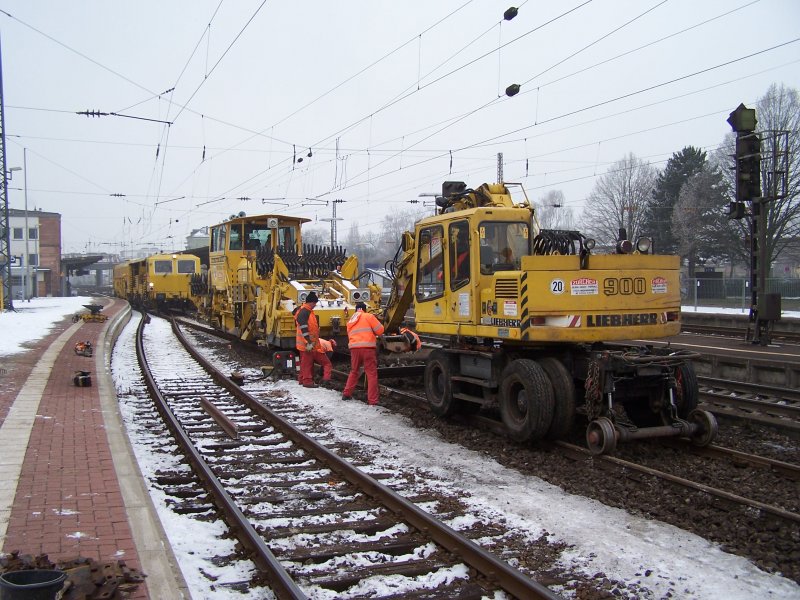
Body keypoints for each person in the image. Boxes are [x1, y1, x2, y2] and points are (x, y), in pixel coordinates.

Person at [343, 302, 385, 406]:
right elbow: (380, 330)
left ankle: (346, 393)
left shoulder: (350, 321)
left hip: (354, 349)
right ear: (364, 309)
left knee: (354, 371)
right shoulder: (368, 316)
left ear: (356, 310)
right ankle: (373, 400)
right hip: (368, 348)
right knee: (371, 374)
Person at [294, 291, 324, 388]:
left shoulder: (307, 311)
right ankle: (307, 381)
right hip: (306, 343)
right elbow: (304, 328)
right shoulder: (305, 312)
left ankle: (302, 379)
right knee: (307, 363)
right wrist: (308, 342)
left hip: (305, 343)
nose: (315, 305)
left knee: (304, 362)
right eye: (314, 303)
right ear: (311, 302)